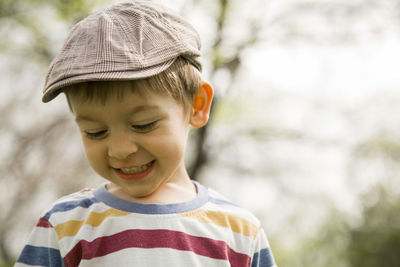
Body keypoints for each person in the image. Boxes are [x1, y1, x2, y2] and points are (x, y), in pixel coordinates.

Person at [15, 1, 277, 266]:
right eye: (95, 132)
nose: (119, 149)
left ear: (197, 105)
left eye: (144, 124)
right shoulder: (64, 226)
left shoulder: (239, 233)